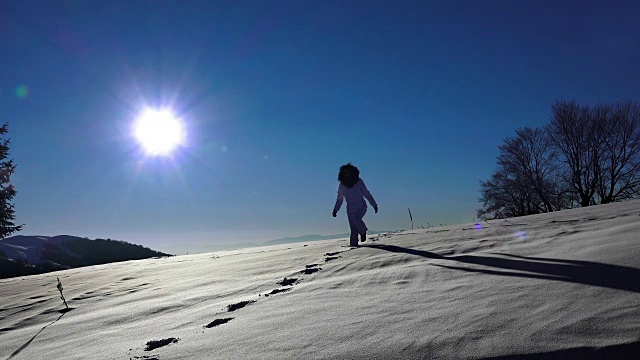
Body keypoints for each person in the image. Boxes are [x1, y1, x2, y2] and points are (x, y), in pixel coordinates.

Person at [332, 163, 378, 247]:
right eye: (345, 173)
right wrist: (335, 210)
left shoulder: (359, 182)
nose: (347, 174)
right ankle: (353, 248)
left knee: (356, 220)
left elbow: (366, 193)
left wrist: (374, 204)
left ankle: (363, 232)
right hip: (350, 210)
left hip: (361, 207)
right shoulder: (342, 185)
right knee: (353, 230)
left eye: (348, 172)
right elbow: (339, 199)